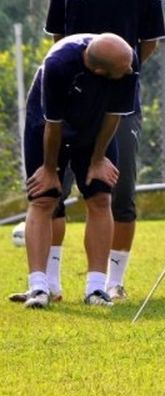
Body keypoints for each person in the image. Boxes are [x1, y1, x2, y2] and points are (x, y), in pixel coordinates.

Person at [33, 0, 165, 302]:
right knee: (51, 188)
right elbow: (59, 42)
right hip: (68, 100)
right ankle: (49, 283)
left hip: (119, 100)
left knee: (114, 190)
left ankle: (112, 282)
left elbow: (148, 44)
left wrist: (114, 75)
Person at [13, 33, 137, 309]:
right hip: (46, 125)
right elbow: (53, 125)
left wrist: (97, 159)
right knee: (44, 197)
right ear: (100, 71)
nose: (130, 70)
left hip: (95, 127)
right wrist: (48, 168)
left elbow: (114, 115)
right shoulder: (58, 65)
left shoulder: (126, 60)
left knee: (100, 197)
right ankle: (38, 287)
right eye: (124, 69)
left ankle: (96, 289)